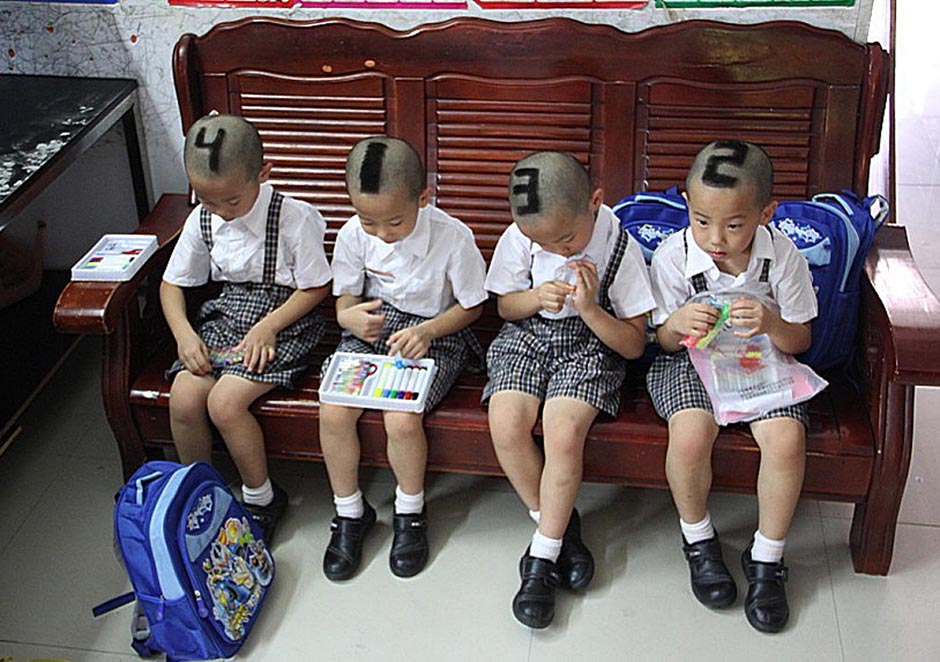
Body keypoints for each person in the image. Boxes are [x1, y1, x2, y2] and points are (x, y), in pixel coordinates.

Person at [647, 140, 817, 633]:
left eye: (734, 224)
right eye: (701, 220)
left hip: (760, 356)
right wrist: (677, 322)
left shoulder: (783, 258)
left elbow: (801, 339)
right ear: (687, 206)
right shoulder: (673, 255)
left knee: (787, 439)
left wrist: (770, 323)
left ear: (766, 213)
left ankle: (766, 557)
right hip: (691, 360)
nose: (715, 238)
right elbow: (663, 340)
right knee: (690, 436)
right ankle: (698, 539)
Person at [483, 151, 655, 629]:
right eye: (544, 243)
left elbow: (634, 343)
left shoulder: (620, 245)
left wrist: (592, 309)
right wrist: (535, 298)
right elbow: (505, 308)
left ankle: (540, 560)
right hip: (527, 338)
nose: (558, 251)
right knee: (506, 422)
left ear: (595, 203)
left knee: (562, 434)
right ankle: (560, 529)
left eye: (567, 239)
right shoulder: (523, 234)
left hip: (591, 347)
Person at [319, 136, 487, 581]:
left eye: (394, 221)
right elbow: (346, 299)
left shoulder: (453, 238)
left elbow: (472, 306)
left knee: (401, 416)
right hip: (372, 327)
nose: (382, 234)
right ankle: (350, 512)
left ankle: (410, 512)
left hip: (436, 333)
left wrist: (427, 331)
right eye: (368, 220)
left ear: (423, 197)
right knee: (334, 410)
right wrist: (348, 318)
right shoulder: (356, 234)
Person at [160, 113, 331, 545]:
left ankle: (261, 496)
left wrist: (268, 326)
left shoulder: (292, 218)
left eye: (232, 202)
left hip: (286, 317)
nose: (220, 212)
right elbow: (171, 285)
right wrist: (184, 334)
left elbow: (317, 286)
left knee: (225, 402)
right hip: (228, 313)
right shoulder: (203, 219)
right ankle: (201, 493)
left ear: (263, 173)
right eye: (207, 199)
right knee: (183, 396)